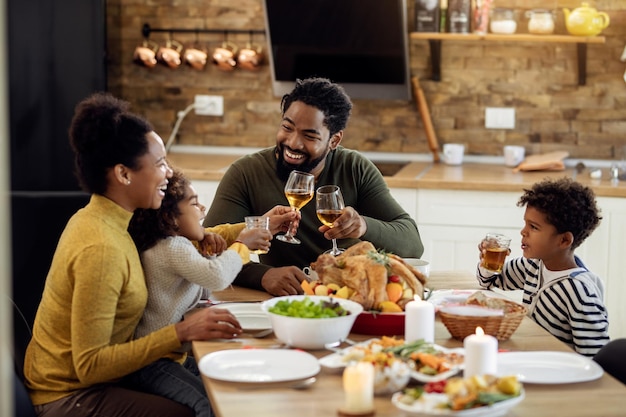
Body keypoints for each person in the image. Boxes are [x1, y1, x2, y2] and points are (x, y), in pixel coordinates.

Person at [23, 92, 241, 417]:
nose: (168, 173)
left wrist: (235, 233)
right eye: (160, 164)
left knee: (221, 381)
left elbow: (173, 241)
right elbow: (90, 366)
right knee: (207, 407)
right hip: (70, 395)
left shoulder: (108, 218)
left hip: (101, 380)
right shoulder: (100, 247)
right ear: (124, 174)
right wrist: (180, 333)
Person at [203, 77, 424, 296]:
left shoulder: (355, 168)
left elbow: (412, 244)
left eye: (309, 136)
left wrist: (363, 226)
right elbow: (207, 253)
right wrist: (262, 276)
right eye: (287, 127)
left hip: (352, 296)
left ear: (334, 141)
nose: (293, 142)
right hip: (286, 301)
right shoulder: (246, 172)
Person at [126, 169, 289, 417]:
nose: (202, 209)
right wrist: (242, 246)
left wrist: (204, 249)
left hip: (170, 356)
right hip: (153, 362)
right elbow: (216, 276)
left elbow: (202, 286)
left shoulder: (172, 243)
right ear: (171, 218)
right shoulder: (171, 247)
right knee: (208, 402)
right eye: (194, 203)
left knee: (221, 384)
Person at [476, 177, 609, 357]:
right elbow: (490, 281)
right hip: (530, 358)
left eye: (534, 227)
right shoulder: (534, 264)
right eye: (525, 223)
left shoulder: (580, 292)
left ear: (564, 240)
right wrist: (489, 260)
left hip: (559, 376)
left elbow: (596, 359)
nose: (523, 232)